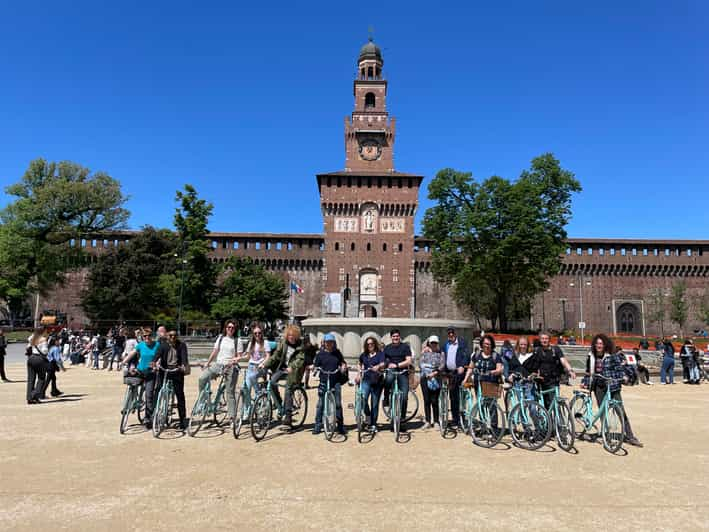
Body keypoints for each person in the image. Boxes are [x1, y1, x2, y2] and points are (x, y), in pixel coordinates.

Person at [586, 333, 643, 447]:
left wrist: (624, 376)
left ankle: (630, 436)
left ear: (605, 344)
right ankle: (606, 435)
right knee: (603, 411)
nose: (599, 345)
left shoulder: (612, 355)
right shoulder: (591, 356)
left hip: (613, 386)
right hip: (599, 386)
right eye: (597, 343)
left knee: (620, 411)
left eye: (601, 343)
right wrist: (586, 382)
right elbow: (588, 372)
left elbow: (619, 368)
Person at [199, 321, 242, 423]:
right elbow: (215, 351)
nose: (230, 329)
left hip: (230, 366)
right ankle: (203, 402)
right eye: (228, 327)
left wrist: (233, 362)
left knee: (230, 392)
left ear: (235, 329)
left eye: (233, 327)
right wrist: (207, 363)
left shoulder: (237, 340)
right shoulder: (221, 338)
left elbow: (239, 356)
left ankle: (232, 418)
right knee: (202, 378)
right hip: (218, 365)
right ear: (225, 328)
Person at [263, 324, 306, 427]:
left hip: (294, 371)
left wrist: (292, 366)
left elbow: (300, 359)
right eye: (289, 335)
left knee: (288, 389)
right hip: (282, 369)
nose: (291, 337)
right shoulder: (283, 343)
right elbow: (275, 356)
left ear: (296, 336)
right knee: (272, 382)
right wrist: (265, 364)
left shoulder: (300, 346)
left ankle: (288, 415)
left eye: (293, 335)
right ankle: (279, 404)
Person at [525, 331, 576, 410]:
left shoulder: (555, 349)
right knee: (544, 405)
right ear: (540, 340)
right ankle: (546, 420)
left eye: (546, 338)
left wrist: (570, 370)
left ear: (549, 340)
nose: (544, 340)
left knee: (555, 403)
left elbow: (563, 361)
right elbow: (534, 366)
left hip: (553, 380)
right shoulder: (537, 351)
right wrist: (532, 375)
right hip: (541, 381)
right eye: (542, 339)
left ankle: (557, 420)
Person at [122, 328, 160, 427]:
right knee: (132, 386)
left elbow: (160, 357)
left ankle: (148, 418)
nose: (147, 338)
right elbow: (132, 353)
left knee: (149, 395)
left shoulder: (157, 345)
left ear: (152, 336)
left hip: (151, 372)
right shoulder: (140, 345)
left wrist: (157, 364)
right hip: (140, 370)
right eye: (144, 336)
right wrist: (124, 362)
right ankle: (130, 404)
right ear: (142, 337)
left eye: (149, 336)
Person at [312, 333, 347, 435]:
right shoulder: (320, 354)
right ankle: (318, 426)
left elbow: (342, 362)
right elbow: (316, 365)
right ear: (324, 343)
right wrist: (314, 368)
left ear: (334, 343)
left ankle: (340, 426)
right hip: (323, 380)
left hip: (335, 381)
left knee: (338, 404)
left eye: (331, 342)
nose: (329, 344)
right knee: (321, 404)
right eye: (327, 342)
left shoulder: (337, 353)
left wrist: (343, 366)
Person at [154, 330, 189, 430]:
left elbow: (184, 356)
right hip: (165, 371)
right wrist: (153, 362)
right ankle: (154, 415)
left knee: (180, 395)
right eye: (170, 335)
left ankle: (182, 419)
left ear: (177, 336)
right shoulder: (163, 345)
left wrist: (183, 365)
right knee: (158, 390)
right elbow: (157, 354)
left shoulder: (181, 345)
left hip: (176, 371)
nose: (172, 337)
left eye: (174, 335)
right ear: (167, 336)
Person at [382, 328, 413, 432]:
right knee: (388, 380)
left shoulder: (405, 347)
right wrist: (387, 364)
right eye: (394, 336)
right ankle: (386, 399)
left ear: (400, 337)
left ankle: (403, 419)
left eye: (397, 336)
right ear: (391, 338)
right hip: (391, 371)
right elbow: (383, 360)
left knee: (404, 396)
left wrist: (397, 365)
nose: (395, 338)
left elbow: (409, 361)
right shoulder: (387, 348)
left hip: (402, 372)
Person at [442, 325, 471, 430]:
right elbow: (441, 355)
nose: (451, 335)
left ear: (455, 333)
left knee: (460, 396)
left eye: (452, 333)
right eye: (449, 333)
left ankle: (462, 418)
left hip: (460, 373)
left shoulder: (462, 343)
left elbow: (467, 355)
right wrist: (427, 348)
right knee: (453, 397)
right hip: (450, 373)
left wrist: (463, 366)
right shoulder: (445, 345)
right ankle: (455, 419)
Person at [238, 323, 272, 414]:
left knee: (252, 377)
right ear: (253, 334)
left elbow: (268, 356)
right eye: (255, 333)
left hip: (260, 367)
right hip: (251, 366)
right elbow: (248, 357)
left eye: (259, 333)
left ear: (262, 333)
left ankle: (258, 393)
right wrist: (237, 359)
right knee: (246, 389)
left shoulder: (265, 343)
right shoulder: (251, 343)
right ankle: (247, 410)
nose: (257, 335)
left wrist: (263, 363)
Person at [357, 336, 385, 432]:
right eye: (368, 344)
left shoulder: (380, 354)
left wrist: (378, 366)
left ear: (375, 344)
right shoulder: (364, 355)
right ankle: (368, 416)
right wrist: (359, 374)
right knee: (363, 399)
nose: (370, 345)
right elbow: (359, 363)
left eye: (372, 343)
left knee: (375, 404)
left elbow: (383, 363)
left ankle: (373, 424)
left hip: (378, 381)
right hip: (366, 380)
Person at [419, 335, 445, 428]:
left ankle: (436, 421)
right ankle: (428, 421)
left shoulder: (441, 353)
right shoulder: (424, 352)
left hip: (436, 378)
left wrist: (434, 373)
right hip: (425, 378)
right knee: (427, 400)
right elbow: (420, 364)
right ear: (429, 343)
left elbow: (442, 365)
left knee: (434, 401)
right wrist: (426, 373)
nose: (433, 344)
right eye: (432, 343)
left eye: (435, 343)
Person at [26, 328, 49, 404]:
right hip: (39, 359)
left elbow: (27, 347)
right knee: (42, 378)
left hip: (31, 358)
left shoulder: (32, 338)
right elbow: (45, 351)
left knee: (30, 379)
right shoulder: (43, 339)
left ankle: (29, 398)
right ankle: (34, 395)